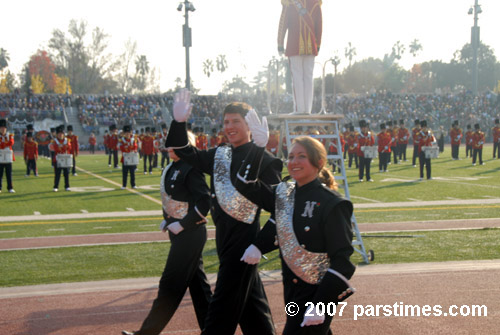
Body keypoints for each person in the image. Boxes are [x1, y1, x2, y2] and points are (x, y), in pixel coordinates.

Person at [165, 89, 281, 335]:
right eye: (226, 121)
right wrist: (178, 122)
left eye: (236, 121)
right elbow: (186, 153)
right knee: (253, 311)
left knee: (220, 313)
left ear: (250, 125)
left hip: (245, 242)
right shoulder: (219, 154)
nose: (229, 126)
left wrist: (259, 245)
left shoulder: (265, 159)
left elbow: (279, 207)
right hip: (224, 239)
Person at [235, 126, 356, 335]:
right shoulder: (284, 194)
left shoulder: (333, 203)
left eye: (302, 156)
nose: (294, 162)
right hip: (293, 292)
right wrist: (257, 149)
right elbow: (245, 185)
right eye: (290, 157)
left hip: (318, 294)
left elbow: (343, 261)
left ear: (318, 162)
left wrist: (321, 304)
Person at [122, 132, 212, 335]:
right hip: (180, 233)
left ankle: (146, 333)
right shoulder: (172, 166)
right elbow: (174, 197)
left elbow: (205, 201)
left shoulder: (191, 168)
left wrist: (183, 224)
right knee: (199, 289)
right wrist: (169, 219)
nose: (168, 146)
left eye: (174, 144)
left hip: (190, 235)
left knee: (169, 286)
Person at [278, 0, 322, 114]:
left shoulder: (290, 3)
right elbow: (319, 24)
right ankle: (307, 109)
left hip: (294, 44)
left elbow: (283, 23)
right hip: (311, 45)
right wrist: (318, 43)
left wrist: (280, 43)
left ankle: (299, 109)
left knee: (297, 77)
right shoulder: (315, 3)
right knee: (308, 77)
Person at [50, 125, 72, 192]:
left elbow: (69, 147)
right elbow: (56, 149)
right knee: (57, 174)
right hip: (57, 159)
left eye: (61, 133)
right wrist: (63, 147)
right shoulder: (55, 141)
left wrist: (62, 147)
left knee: (66, 174)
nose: (60, 135)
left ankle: (67, 186)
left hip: (65, 159)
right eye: (59, 134)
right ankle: (56, 186)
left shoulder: (67, 140)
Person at [0, 119, 15, 193]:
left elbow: (11, 142)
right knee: (0, 174)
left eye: (4, 128)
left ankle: (10, 187)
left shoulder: (9, 135)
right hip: (0, 157)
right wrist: (5, 144)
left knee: (9, 174)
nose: (3, 129)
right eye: (1, 128)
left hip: (8, 157)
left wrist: (3, 144)